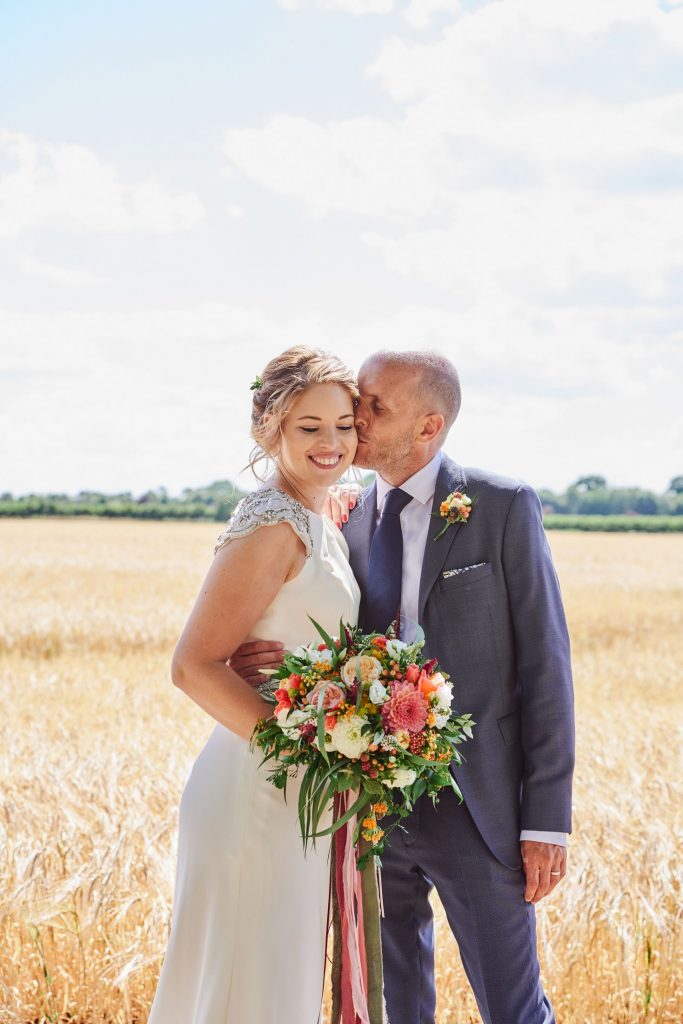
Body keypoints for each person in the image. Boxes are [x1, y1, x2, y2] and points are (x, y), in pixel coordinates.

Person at [232, 350, 575, 1024]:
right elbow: (318, 627)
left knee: (512, 1007)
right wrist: (262, 659)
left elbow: (545, 665)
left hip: (481, 809)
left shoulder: (499, 506)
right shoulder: (344, 515)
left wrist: (545, 823)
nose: (354, 418)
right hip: (368, 801)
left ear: (428, 425)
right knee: (392, 1003)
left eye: (375, 407)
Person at [147, 346, 361, 1024]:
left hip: (299, 793)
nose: (332, 442)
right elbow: (192, 665)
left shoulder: (322, 518)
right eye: (309, 427)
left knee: (275, 983)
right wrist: (304, 753)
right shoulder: (273, 523)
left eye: (345, 424)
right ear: (267, 428)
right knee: (246, 982)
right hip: (256, 788)